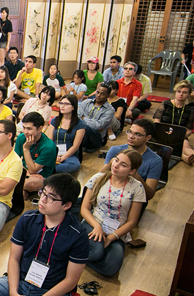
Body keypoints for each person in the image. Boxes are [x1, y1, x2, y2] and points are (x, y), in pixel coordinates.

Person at [81, 149, 145, 277]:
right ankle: (76, 254)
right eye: (116, 160)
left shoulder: (137, 187)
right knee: (97, 253)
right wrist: (97, 226)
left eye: (123, 165)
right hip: (93, 224)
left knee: (111, 268)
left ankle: (75, 256)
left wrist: (111, 237)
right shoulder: (98, 178)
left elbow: (132, 221)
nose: (115, 165)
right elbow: (84, 209)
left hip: (117, 231)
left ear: (132, 171)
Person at [153, 81, 194, 166]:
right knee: (165, 145)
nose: (181, 94)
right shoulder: (165, 104)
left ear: (188, 95)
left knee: (186, 145)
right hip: (163, 133)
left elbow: (189, 130)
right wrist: (164, 132)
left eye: (184, 92)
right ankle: (184, 157)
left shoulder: (189, 109)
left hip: (179, 135)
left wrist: (182, 135)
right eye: (179, 91)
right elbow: (156, 123)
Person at [102, 119, 162, 201]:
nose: (131, 136)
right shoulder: (115, 150)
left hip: (133, 198)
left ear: (148, 137)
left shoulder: (155, 160)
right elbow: (100, 177)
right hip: (109, 191)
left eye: (137, 134)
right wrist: (111, 163)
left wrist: (135, 175)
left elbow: (149, 195)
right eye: (129, 132)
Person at [14, 112, 57, 197]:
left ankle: (19, 188)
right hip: (23, 171)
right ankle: (21, 190)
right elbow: (13, 160)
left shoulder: (48, 146)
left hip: (40, 176)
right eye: (24, 128)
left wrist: (26, 149)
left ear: (40, 129)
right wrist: (26, 173)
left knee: (31, 184)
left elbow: (33, 170)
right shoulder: (21, 137)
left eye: (29, 129)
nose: (25, 132)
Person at [45, 95, 86, 174]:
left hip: (69, 154)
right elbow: (50, 140)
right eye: (61, 103)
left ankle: (48, 169)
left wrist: (62, 158)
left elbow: (75, 146)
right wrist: (54, 155)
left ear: (73, 107)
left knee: (75, 165)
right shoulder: (55, 120)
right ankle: (49, 168)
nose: (62, 106)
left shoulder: (80, 124)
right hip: (53, 151)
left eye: (66, 104)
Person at [78, 83, 115, 153]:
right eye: (97, 92)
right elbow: (77, 117)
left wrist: (84, 118)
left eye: (102, 94)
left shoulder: (110, 110)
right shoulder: (86, 102)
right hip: (81, 132)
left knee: (85, 128)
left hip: (96, 138)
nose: (98, 95)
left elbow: (98, 126)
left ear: (108, 96)